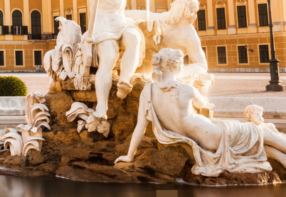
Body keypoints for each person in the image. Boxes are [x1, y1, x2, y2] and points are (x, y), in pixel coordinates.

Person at [116, 49, 286, 175]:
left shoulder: (148, 90)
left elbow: (140, 126)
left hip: (205, 143)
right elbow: (205, 104)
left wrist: (129, 156)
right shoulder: (187, 89)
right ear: (177, 66)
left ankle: (281, 158)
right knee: (260, 131)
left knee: (256, 143)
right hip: (216, 133)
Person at [83, 0, 144, 118]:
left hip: (119, 20)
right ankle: (102, 106)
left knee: (135, 38)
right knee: (109, 57)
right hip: (102, 24)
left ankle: (124, 80)